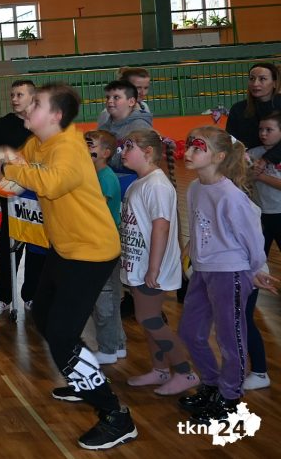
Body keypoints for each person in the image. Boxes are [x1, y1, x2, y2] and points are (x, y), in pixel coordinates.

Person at [1, 84, 137, 450]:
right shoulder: (37, 143)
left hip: (92, 252)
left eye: (37, 103)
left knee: (61, 335)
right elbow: (19, 167)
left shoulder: (70, 147)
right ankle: (82, 376)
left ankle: (115, 415)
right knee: (43, 315)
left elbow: (49, 182)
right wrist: (6, 169)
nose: (28, 107)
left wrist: (10, 169)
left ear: (56, 116)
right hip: (65, 249)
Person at [177, 127, 277, 422]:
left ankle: (230, 396)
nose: (188, 153)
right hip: (202, 272)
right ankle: (211, 384)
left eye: (197, 148)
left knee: (230, 337)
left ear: (219, 156)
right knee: (190, 332)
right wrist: (190, 256)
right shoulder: (195, 188)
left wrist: (255, 270)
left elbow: (253, 240)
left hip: (230, 273)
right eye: (189, 146)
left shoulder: (231, 196)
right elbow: (199, 228)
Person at [117, 130, 197, 396]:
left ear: (148, 152)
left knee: (149, 318)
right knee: (148, 319)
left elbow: (161, 227)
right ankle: (160, 369)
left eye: (129, 147)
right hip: (139, 264)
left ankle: (185, 373)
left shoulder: (157, 185)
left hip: (152, 267)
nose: (123, 152)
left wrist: (154, 268)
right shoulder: (140, 182)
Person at [0, 80, 37, 316]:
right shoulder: (2, 125)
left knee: (37, 246)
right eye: (12, 95)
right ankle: (3, 296)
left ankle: (32, 295)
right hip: (10, 196)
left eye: (20, 94)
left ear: (32, 97)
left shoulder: (42, 124)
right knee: (7, 245)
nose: (15, 99)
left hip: (38, 196)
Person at [245, 111, 281, 391]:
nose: (264, 134)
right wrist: (251, 172)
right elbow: (244, 174)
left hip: (280, 213)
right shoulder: (255, 153)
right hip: (262, 216)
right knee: (258, 261)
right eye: (261, 129)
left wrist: (262, 177)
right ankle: (253, 291)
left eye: (269, 129)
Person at [84, 129, 127, 366]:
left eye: (90, 145)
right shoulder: (96, 175)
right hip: (101, 243)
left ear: (106, 153)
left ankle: (108, 348)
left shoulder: (106, 178)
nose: (85, 149)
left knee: (104, 299)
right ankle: (117, 344)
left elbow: (94, 210)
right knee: (109, 297)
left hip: (104, 245)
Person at [226, 63, 281, 149]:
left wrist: (269, 156)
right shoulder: (238, 109)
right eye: (252, 79)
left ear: (274, 83)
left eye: (262, 79)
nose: (255, 84)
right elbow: (230, 141)